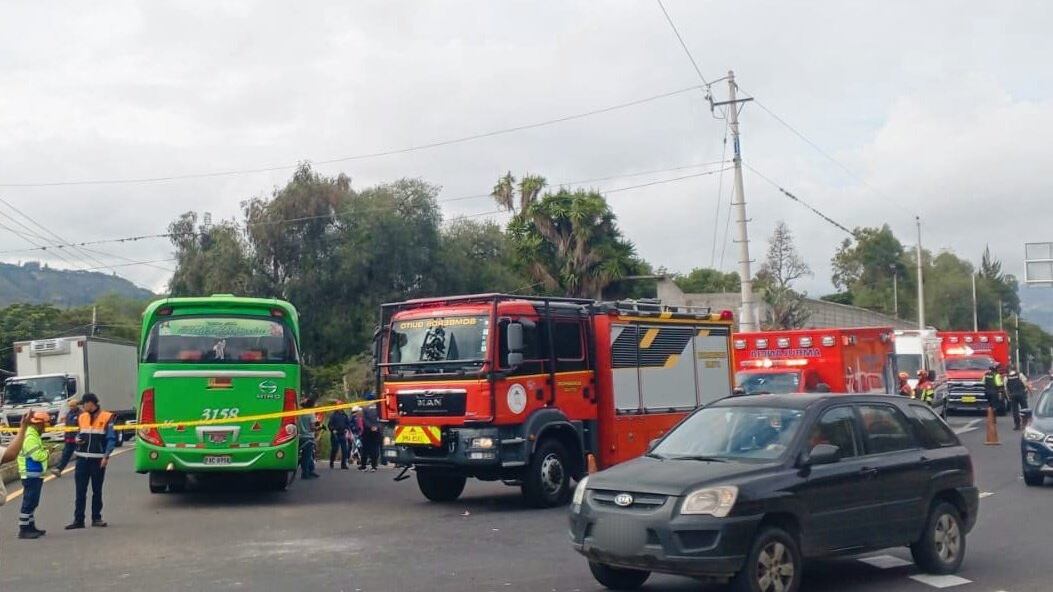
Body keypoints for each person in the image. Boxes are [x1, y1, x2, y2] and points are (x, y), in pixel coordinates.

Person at [66, 392, 117, 530]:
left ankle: (96, 518)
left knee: (97, 490)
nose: (83, 407)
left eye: (84, 404)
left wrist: (106, 456)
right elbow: (79, 433)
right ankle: (78, 520)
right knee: (80, 491)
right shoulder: (82, 417)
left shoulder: (107, 417)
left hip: (97, 460)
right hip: (81, 459)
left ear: (91, 403)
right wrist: (77, 439)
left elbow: (111, 439)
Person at [17, 411, 51, 539]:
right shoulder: (30, 437)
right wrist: (47, 453)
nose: (45, 428)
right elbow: (37, 456)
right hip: (30, 474)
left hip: (34, 474)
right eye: (44, 425)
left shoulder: (33, 435)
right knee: (29, 502)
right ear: (39, 424)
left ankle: (31, 526)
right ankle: (24, 529)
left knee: (33, 502)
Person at [51, 398, 80, 476]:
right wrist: (66, 437)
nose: (71, 408)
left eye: (73, 406)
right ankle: (59, 469)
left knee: (80, 456)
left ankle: (81, 470)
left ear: (76, 406)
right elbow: (67, 426)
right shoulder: (69, 414)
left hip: (77, 439)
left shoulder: (80, 414)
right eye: (70, 406)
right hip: (69, 438)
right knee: (65, 455)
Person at [298, 398, 321, 479]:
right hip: (308, 437)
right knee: (306, 456)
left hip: (300, 436)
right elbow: (312, 427)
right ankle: (305, 473)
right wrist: (318, 428)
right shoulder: (311, 414)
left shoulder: (300, 413)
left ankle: (311, 470)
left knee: (309, 455)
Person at [1006, 365, 1031, 431]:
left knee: (1015, 411)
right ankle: (1025, 424)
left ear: (1009, 369)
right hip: (1021, 394)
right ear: (1016, 369)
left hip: (1013, 395)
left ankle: (1017, 425)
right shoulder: (1020, 375)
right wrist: (1030, 391)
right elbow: (1025, 384)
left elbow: (1006, 389)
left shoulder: (1007, 377)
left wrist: (1008, 396)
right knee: (1025, 409)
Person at [327, 405, 351, 470]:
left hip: (342, 433)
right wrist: (332, 429)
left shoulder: (344, 415)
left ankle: (343, 464)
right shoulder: (333, 415)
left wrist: (347, 429)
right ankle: (331, 462)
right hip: (335, 434)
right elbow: (329, 424)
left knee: (345, 450)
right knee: (335, 449)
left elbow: (348, 423)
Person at [357, 405, 380, 472]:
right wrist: (376, 427)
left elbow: (364, 420)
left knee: (365, 449)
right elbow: (381, 420)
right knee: (375, 449)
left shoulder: (365, 408)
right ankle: (374, 466)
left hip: (367, 432)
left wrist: (370, 427)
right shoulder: (379, 408)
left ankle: (364, 466)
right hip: (376, 432)